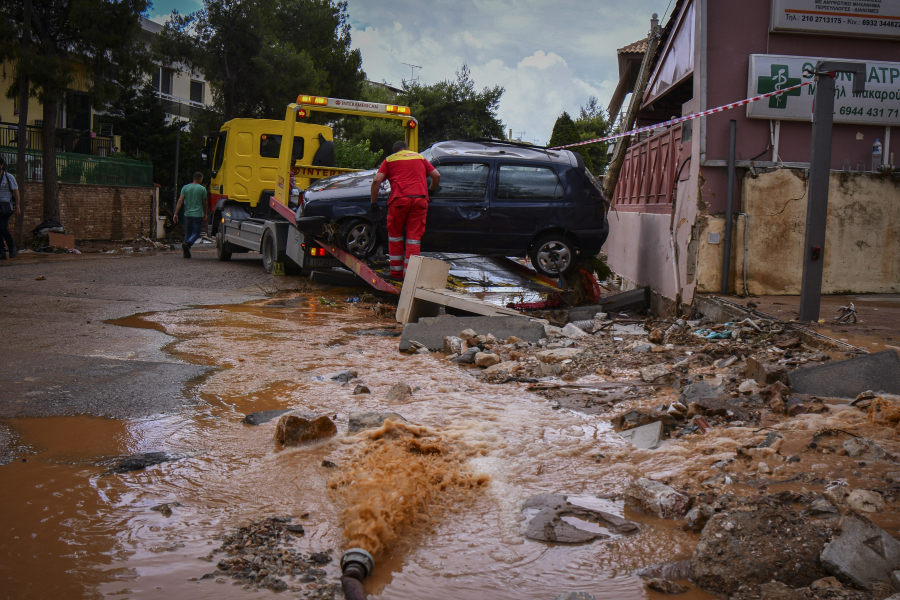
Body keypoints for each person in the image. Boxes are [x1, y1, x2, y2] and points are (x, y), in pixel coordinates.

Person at [370, 141, 440, 279]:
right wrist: (430, 190)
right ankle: (410, 275)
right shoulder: (419, 157)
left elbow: (377, 181)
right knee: (414, 239)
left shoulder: (390, 160)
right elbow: (436, 176)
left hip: (399, 200)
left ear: (395, 151)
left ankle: (396, 273)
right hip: (420, 200)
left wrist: (373, 202)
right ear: (407, 149)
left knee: (395, 236)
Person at [173, 172, 208, 259]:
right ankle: (188, 243)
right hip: (198, 214)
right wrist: (205, 213)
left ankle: (186, 249)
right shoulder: (202, 189)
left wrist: (176, 213)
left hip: (187, 214)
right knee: (196, 233)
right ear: (200, 178)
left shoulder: (185, 187)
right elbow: (204, 203)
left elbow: (180, 200)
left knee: (188, 232)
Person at [0, 157, 21, 260]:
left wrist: (17, 206)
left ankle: (12, 247)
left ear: (1, 165)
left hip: (6, 207)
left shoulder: (9, 177)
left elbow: (16, 192)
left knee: (2, 228)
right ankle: (2, 252)